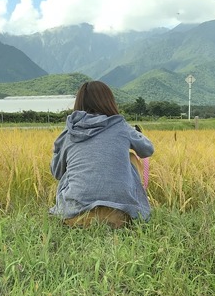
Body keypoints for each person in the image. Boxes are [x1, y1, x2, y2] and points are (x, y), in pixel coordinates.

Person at [50, 80, 154, 228]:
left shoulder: (69, 132)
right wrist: (135, 133)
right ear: (109, 102)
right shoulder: (121, 126)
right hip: (121, 215)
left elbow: (57, 172)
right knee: (130, 157)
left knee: (70, 171)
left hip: (75, 216)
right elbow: (147, 150)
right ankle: (130, 205)